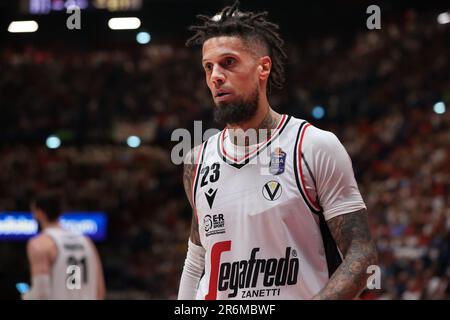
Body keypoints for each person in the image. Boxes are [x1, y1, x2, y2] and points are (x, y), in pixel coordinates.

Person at [177, 1, 378, 300]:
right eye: (209, 67)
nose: (215, 76)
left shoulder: (312, 146)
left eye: (228, 62)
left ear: (263, 67)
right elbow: (196, 262)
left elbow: (362, 255)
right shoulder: (197, 160)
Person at [23, 191, 105, 300]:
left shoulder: (40, 244)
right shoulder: (86, 242)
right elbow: (100, 291)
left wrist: (26, 296)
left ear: (39, 212)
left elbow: (41, 293)